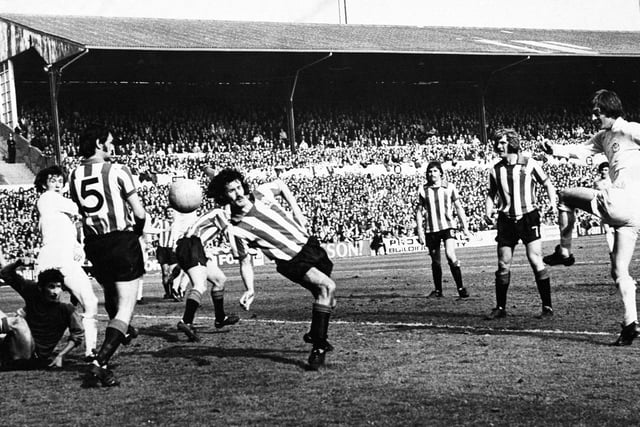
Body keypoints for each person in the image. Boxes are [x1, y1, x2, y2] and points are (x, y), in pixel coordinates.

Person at [209, 169, 336, 370]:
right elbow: (244, 261)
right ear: (223, 197)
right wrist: (250, 289)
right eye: (231, 191)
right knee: (327, 287)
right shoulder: (236, 229)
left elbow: (281, 185)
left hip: (310, 246)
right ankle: (318, 347)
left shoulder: (261, 193)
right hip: (291, 261)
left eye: (239, 187)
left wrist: (297, 211)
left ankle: (314, 333)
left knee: (329, 301)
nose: (239, 194)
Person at [540, 89, 640, 345]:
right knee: (618, 271)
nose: (593, 117)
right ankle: (630, 324)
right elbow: (581, 150)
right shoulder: (603, 136)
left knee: (564, 195)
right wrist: (555, 148)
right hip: (632, 215)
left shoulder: (629, 130)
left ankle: (564, 251)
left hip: (620, 202)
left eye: (597, 112)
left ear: (609, 109)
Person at [68, 125, 148, 387]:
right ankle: (99, 363)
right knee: (126, 306)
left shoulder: (73, 175)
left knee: (112, 294)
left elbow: (81, 212)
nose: (114, 146)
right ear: (100, 143)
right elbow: (139, 213)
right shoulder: (118, 170)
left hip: (95, 244)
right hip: (120, 240)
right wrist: (136, 232)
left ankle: (121, 332)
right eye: (111, 142)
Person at [485, 128, 557, 320]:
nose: (498, 146)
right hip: (505, 220)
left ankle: (547, 307)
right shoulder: (495, 169)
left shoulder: (530, 164)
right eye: (497, 142)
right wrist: (487, 211)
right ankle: (500, 308)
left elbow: (548, 184)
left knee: (535, 260)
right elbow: (491, 194)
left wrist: (552, 203)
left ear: (512, 143)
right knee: (503, 264)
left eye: (501, 142)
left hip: (528, 217)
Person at [33, 165, 98, 360]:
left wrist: (77, 246)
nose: (58, 184)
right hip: (54, 259)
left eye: (60, 181)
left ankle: (89, 350)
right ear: (44, 184)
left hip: (60, 259)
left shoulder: (60, 214)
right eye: (53, 181)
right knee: (44, 309)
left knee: (87, 302)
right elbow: (75, 207)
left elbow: (69, 229)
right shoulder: (47, 199)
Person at [174, 205, 253, 342]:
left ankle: (220, 318)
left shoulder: (214, 216)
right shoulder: (220, 213)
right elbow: (229, 231)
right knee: (200, 285)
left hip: (194, 247)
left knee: (219, 279)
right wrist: (239, 252)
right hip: (191, 244)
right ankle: (186, 321)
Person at [0, 259, 84, 370]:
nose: (56, 292)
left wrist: (61, 355)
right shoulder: (32, 291)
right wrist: (18, 263)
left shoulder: (66, 308)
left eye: (58, 287)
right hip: (18, 344)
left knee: (18, 321)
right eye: (51, 287)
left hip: (34, 355)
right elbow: (5, 273)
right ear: (41, 288)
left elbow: (77, 335)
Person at [416, 161, 470, 299]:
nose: (432, 173)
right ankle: (438, 290)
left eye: (434, 171)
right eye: (429, 171)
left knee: (451, 255)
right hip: (431, 229)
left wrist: (465, 228)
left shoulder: (449, 187)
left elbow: (458, 207)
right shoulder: (423, 189)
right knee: (435, 261)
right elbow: (418, 212)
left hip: (447, 226)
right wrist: (420, 231)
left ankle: (461, 287)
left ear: (440, 172)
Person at [592, 161, 614, 255]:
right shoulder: (596, 182)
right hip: (603, 208)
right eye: (602, 170)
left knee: (618, 229)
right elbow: (594, 195)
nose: (604, 172)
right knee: (607, 230)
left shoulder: (613, 180)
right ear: (599, 171)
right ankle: (612, 251)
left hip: (614, 206)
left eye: (606, 170)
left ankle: (618, 249)